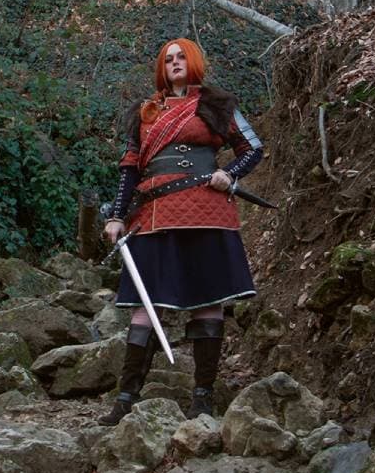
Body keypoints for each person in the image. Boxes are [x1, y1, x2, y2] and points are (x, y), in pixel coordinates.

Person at [100, 37, 263, 425]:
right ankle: (125, 399)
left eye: (181, 57)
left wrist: (230, 174)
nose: (174, 63)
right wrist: (117, 215)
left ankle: (203, 397)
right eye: (168, 59)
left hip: (206, 210)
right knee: (145, 306)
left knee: (208, 300)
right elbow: (130, 167)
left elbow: (253, 149)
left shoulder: (217, 104)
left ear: (193, 62)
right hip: (154, 214)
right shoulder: (146, 111)